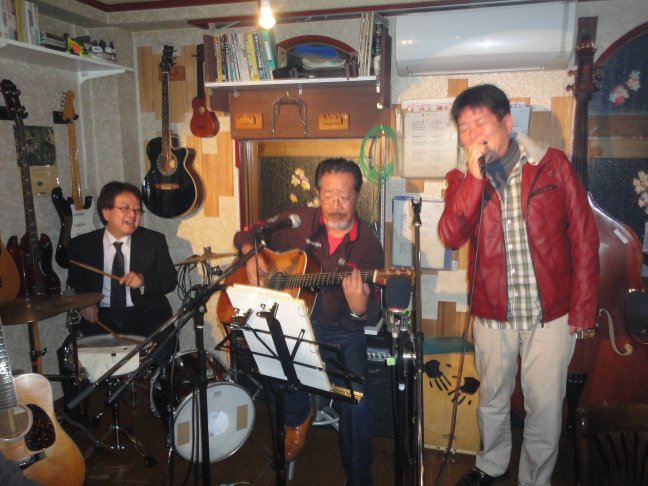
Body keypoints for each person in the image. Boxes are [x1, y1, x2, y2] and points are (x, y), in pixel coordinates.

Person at [437, 84, 599, 486]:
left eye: (480, 122)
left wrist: (582, 310)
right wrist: (474, 180)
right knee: (492, 397)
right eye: (463, 128)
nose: (472, 134)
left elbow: (583, 236)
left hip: (550, 313)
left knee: (544, 406)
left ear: (507, 123)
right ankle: (491, 464)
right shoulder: (461, 179)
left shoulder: (551, 165)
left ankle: (535, 480)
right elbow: (450, 235)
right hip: (492, 313)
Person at [233, 158, 384, 485]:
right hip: (291, 324)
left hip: (341, 333)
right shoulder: (296, 221)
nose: (336, 204)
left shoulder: (368, 245)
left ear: (358, 196)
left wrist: (359, 309)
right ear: (317, 194)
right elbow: (247, 233)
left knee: (358, 404)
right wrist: (251, 254)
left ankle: (359, 479)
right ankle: (298, 414)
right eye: (328, 195)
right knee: (266, 355)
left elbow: (372, 310)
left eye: (344, 196)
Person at [57, 181, 177, 411]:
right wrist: (85, 303)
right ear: (106, 213)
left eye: (137, 210)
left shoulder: (154, 241)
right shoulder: (82, 245)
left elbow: (170, 280)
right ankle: (76, 420)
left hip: (146, 315)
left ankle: (167, 411)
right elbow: (76, 282)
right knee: (67, 353)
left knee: (167, 346)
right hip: (101, 317)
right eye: (125, 208)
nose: (133, 215)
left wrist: (144, 281)